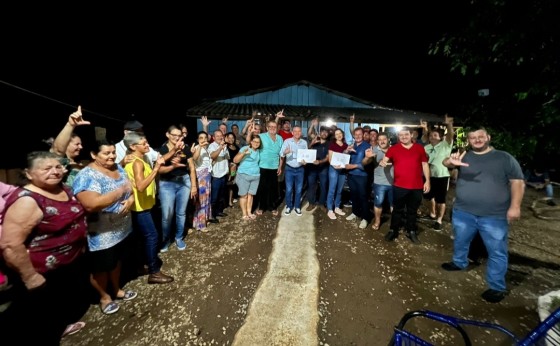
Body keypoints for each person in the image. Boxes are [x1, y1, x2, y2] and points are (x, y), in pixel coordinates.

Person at [0, 151, 91, 345]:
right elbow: (10, 244)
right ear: (29, 173)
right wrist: (30, 276)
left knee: (56, 309)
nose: (55, 171)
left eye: (58, 167)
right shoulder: (27, 200)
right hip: (40, 272)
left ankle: (60, 328)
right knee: (38, 322)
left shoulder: (62, 189)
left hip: (64, 268)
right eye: (47, 168)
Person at [441, 126, 525, 303]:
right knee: (461, 240)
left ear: (488, 137)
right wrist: (450, 162)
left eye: (480, 136)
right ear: (469, 140)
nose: (477, 140)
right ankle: (459, 262)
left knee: (497, 251)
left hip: (494, 215)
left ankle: (496, 286)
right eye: (473, 138)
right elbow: (446, 163)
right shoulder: (465, 155)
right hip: (464, 211)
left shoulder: (504, 158)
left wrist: (515, 206)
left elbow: (517, 182)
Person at [72, 140, 138, 315]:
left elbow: (130, 188)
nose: (111, 156)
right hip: (101, 233)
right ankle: (104, 296)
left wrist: (130, 199)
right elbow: (91, 204)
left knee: (116, 261)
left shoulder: (117, 167)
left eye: (113, 152)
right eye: (106, 153)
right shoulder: (87, 175)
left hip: (121, 228)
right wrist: (119, 192)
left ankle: (116, 289)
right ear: (94, 155)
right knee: (100, 267)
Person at [123, 132, 174, 284]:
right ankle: (154, 272)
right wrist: (156, 169)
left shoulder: (140, 159)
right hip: (140, 208)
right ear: (133, 146)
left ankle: (140, 266)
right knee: (152, 236)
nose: (147, 145)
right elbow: (140, 186)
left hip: (142, 205)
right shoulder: (137, 162)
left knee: (141, 238)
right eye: (144, 143)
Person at [380, 126, 430, 244]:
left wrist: (427, 181)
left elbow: (425, 165)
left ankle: (411, 231)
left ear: (411, 135)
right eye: (401, 135)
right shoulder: (393, 149)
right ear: (398, 136)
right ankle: (393, 230)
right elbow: (384, 159)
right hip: (399, 186)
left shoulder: (419, 148)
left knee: (412, 211)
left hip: (416, 186)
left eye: (406, 134)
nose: (404, 137)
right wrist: (383, 162)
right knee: (397, 210)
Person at [158, 126, 197, 252]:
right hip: (167, 184)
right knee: (167, 215)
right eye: (173, 135)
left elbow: (191, 166)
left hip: (184, 182)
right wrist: (173, 165)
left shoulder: (185, 148)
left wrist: (194, 185)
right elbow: (158, 169)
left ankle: (179, 237)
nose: (176, 137)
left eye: (179, 135)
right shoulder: (162, 149)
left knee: (181, 213)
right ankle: (165, 240)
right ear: (167, 135)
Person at [423, 115, 454, 230]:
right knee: (428, 196)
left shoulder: (446, 145)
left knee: (441, 200)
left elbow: (451, 135)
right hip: (429, 176)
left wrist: (449, 124)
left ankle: (439, 220)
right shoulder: (426, 147)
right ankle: (432, 213)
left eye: (435, 135)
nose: (432, 137)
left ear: (441, 137)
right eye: (431, 135)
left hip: (442, 176)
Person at [51, 105, 90, 186]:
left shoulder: (82, 163)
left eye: (81, 144)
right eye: (77, 144)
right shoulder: (60, 163)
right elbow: (57, 150)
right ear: (66, 144)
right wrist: (70, 125)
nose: (81, 147)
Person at [363, 132, 394, 230]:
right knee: (378, 203)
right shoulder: (374, 150)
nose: (382, 141)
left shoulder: (394, 149)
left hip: (395, 182)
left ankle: (394, 223)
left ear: (388, 139)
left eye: (384, 139)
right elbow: (364, 163)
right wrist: (367, 157)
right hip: (379, 183)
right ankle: (377, 221)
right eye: (379, 139)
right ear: (377, 141)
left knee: (393, 204)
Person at [253, 118, 283, 216]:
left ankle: (273, 207)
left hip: (274, 167)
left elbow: (281, 154)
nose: (273, 128)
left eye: (274, 127)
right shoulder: (261, 136)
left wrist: (280, 166)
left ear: (277, 128)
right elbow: (251, 143)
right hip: (263, 166)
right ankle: (262, 207)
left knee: (273, 188)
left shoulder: (280, 138)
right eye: (270, 126)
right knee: (262, 188)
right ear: (267, 127)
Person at [344, 127, 372, 229]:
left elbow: (368, 163)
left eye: (360, 134)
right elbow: (344, 157)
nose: (358, 136)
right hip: (351, 175)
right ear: (354, 136)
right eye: (356, 134)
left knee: (363, 197)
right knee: (354, 195)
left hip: (362, 176)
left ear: (363, 135)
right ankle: (355, 213)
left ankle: (365, 218)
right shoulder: (352, 145)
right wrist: (346, 150)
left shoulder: (367, 146)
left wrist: (354, 166)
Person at [280, 126, 308, 216]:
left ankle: (297, 207)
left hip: (300, 169)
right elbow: (281, 153)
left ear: (301, 133)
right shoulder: (287, 141)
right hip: (289, 169)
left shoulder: (304, 142)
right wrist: (285, 152)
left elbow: (306, 155)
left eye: (299, 131)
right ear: (292, 132)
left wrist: (305, 162)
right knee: (288, 189)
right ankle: (288, 206)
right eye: (295, 131)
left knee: (299, 189)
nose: (297, 133)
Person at [233, 135, 262, 220]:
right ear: (251, 142)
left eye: (258, 142)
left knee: (251, 195)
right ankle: (244, 214)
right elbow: (235, 160)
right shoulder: (245, 148)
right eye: (255, 141)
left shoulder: (259, 151)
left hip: (255, 175)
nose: (256, 143)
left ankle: (249, 212)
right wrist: (243, 154)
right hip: (243, 174)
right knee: (244, 195)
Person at [192, 131, 213, 232]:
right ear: (197, 139)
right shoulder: (197, 147)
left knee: (206, 199)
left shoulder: (206, 148)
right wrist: (199, 146)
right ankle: (200, 224)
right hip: (201, 177)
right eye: (201, 137)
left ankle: (203, 220)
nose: (203, 139)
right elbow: (194, 158)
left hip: (207, 176)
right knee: (201, 200)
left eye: (205, 137)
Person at [326, 128, 349, 220]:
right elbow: (330, 158)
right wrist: (335, 166)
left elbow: (346, 157)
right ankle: (330, 210)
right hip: (334, 169)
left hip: (342, 170)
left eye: (340, 133)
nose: (339, 135)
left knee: (339, 190)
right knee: (332, 189)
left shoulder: (346, 145)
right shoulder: (332, 145)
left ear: (342, 135)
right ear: (334, 136)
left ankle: (337, 207)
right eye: (336, 134)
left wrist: (347, 151)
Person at [306, 127, 330, 211]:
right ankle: (311, 203)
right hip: (312, 168)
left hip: (323, 168)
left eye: (326, 132)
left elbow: (328, 157)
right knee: (311, 185)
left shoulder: (329, 144)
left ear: (328, 134)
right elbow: (307, 151)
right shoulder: (315, 140)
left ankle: (321, 203)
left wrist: (320, 161)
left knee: (323, 186)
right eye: (322, 132)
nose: (324, 133)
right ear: (319, 133)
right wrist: (311, 143)